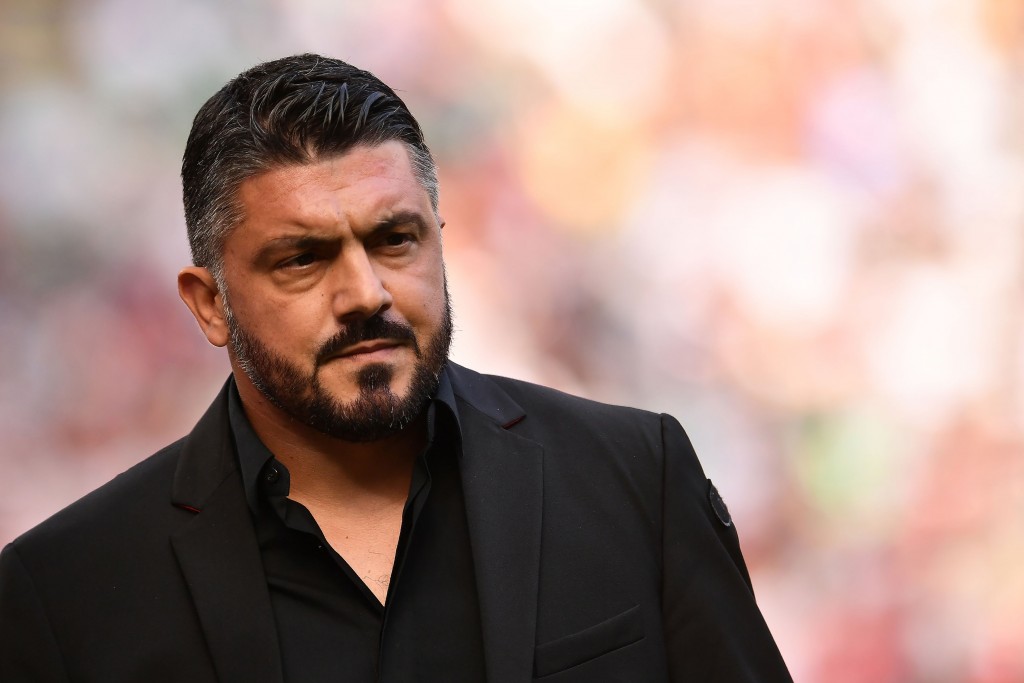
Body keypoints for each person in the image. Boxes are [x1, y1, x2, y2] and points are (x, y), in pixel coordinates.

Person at [0, 54, 792, 682]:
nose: (365, 293)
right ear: (209, 304)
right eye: (302, 259)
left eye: (395, 239)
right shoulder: (64, 595)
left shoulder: (634, 481)